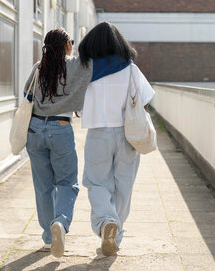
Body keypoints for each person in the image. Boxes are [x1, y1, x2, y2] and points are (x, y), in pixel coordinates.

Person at [23, 28, 129, 258]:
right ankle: (60, 222)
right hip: (60, 129)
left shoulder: (38, 67)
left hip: (34, 130)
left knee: (43, 187)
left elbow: (27, 95)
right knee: (66, 183)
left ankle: (49, 237)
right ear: (67, 46)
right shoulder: (78, 66)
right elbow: (112, 65)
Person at [78, 21, 155, 256]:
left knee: (97, 182)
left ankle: (106, 222)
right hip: (127, 134)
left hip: (98, 132)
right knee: (124, 186)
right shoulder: (131, 69)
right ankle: (115, 235)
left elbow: (76, 104)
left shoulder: (86, 69)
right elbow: (145, 99)